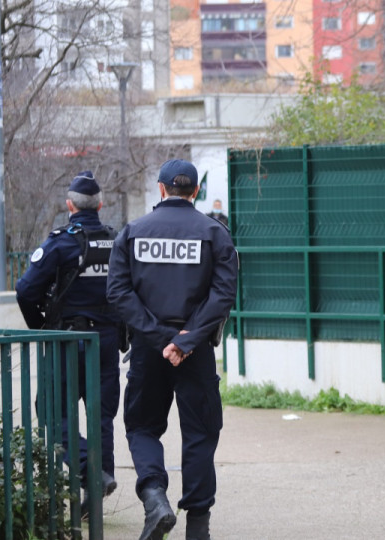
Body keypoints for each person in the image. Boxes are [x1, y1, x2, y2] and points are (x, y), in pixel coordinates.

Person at [107, 159, 238, 540]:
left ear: (161, 190)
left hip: (150, 351)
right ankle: (198, 528)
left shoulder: (133, 232)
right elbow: (223, 294)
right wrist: (184, 339)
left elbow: (118, 293)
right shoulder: (215, 233)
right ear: (194, 192)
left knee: (143, 426)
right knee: (200, 433)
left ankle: (154, 497)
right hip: (194, 351)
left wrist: (159, 337)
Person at [15, 170, 122, 515]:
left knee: (50, 409)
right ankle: (99, 483)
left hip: (66, 340)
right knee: (101, 416)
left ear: (69, 205)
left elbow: (25, 290)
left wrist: (42, 327)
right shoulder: (115, 240)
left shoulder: (60, 241)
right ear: (101, 204)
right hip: (105, 341)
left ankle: (88, 470)